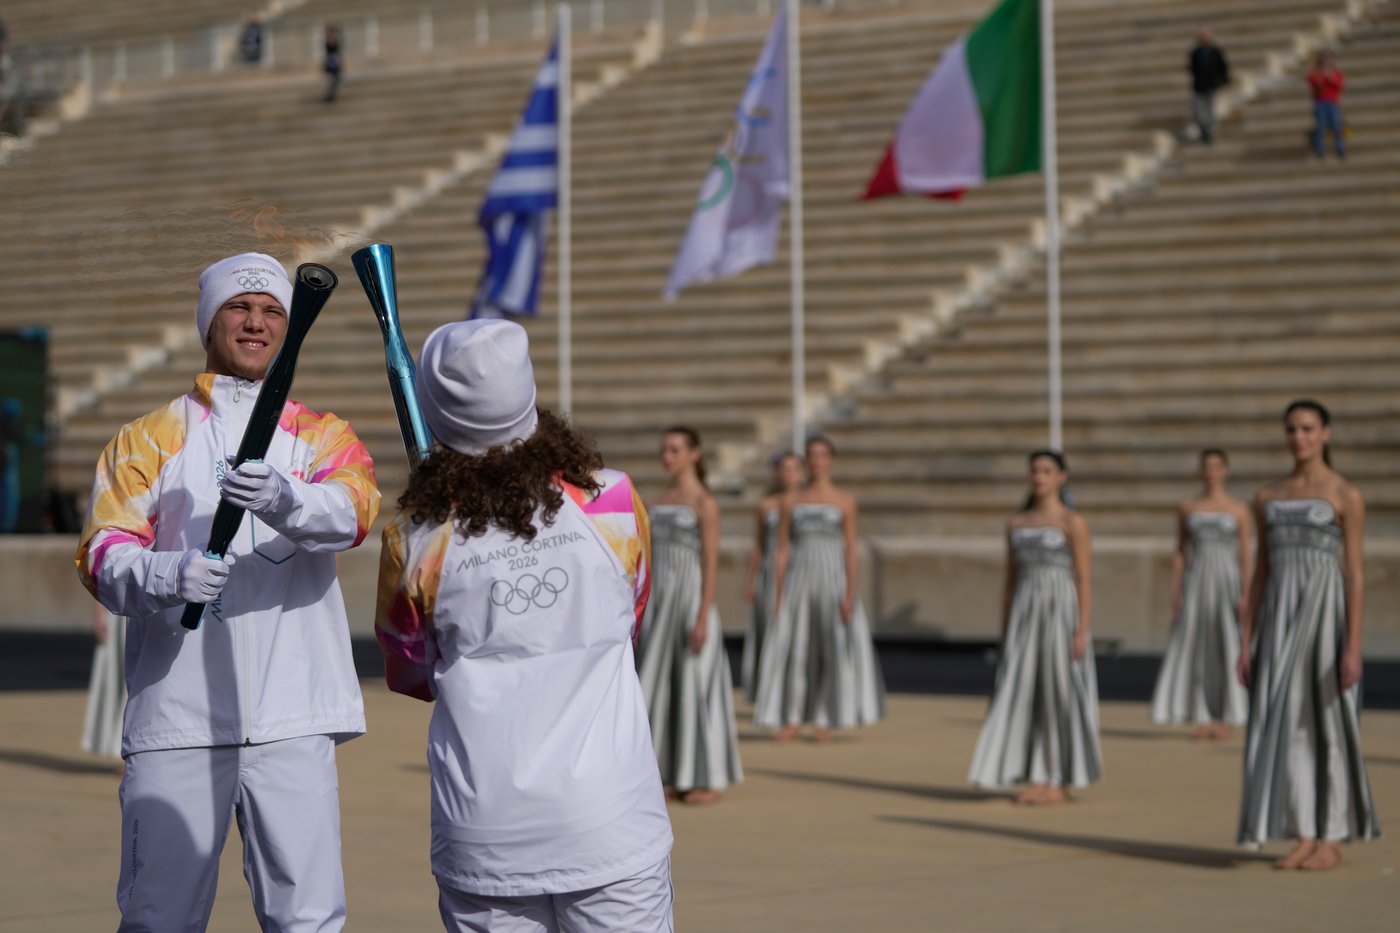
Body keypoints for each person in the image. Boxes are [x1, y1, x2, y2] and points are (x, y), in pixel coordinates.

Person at [75, 251, 380, 931]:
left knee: (308, 920)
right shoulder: (147, 439)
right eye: (238, 307)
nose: (255, 322)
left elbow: (354, 512)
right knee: (158, 919)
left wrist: (285, 498)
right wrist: (168, 573)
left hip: (292, 716)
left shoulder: (321, 435)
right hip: (177, 721)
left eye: (272, 310)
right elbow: (101, 554)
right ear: (208, 321)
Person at [376, 320, 675, 930]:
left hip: (486, 834)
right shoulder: (614, 501)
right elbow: (633, 615)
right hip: (610, 823)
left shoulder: (413, 539)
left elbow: (409, 673)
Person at [1237, 400, 1379, 870]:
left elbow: (1354, 574)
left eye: (1307, 428)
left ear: (1326, 433)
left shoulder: (1345, 494)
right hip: (1279, 622)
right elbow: (1260, 573)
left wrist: (1353, 645)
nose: (1298, 437)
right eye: (1292, 429)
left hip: (1325, 619)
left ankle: (1332, 838)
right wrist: (1246, 641)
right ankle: (1303, 833)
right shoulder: (1267, 495)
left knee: (1331, 725)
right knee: (1289, 725)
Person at [969, 450, 1101, 804]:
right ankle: (1036, 775)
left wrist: (1081, 629)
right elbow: (1009, 582)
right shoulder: (1016, 523)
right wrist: (1005, 630)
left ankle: (1058, 778)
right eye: (1035, 471)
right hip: (1025, 613)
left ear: (1061, 477)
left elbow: (1084, 579)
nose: (1039, 477)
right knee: (1026, 690)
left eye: (1046, 470)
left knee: (1058, 690)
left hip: (1059, 611)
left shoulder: (1073, 522)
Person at [635, 426, 742, 803]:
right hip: (658, 601)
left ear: (694, 454)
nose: (667, 457)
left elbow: (710, 563)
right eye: (664, 450)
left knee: (695, 681)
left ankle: (707, 778)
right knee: (661, 682)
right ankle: (670, 772)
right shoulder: (654, 500)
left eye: (675, 450)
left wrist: (702, 615)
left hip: (689, 599)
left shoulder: (705, 503)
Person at [754, 436, 885, 741]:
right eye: (811, 455)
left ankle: (823, 718)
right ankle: (792, 717)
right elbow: (782, 549)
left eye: (822, 455)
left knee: (830, 646)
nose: (816, 461)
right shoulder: (790, 501)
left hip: (831, 579)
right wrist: (778, 592)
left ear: (831, 460)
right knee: (796, 648)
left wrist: (849, 592)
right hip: (798, 580)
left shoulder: (845, 501)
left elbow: (850, 549)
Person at [1150, 449, 1252, 739]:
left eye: (1217, 466)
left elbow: (1245, 554)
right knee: (1198, 645)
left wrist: (1246, 592)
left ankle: (1229, 714)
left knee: (1228, 642)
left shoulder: (1239, 509)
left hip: (1227, 581)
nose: (1211, 472)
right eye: (1206, 466)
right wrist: (1177, 590)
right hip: (1196, 581)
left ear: (1226, 471)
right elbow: (1180, 552)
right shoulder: (1188, 507)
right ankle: (1202, 714)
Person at [740, 451, 804, 703]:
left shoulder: (808, 502)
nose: (788, 474)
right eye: (783, 468)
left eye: (793, 468)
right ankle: (771, 693)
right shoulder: (766, 505)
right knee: (772, 629)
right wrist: (751, 581)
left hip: (799, 569)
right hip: (769, 571)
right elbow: (759, 545)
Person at [80, 602, 127, 763]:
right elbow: (100, 585)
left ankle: (130, 750)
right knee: (114, 678)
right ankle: (122, 749)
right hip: (120, 611)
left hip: (153, 611)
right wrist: (100, 616)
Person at [1188, 28, 1229, 144]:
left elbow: (1223, 68)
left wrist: (1223, 83)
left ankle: (1210, 135)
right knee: (1198, 114)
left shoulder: (1216, 52)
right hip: (1199, 87)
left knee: (1211, 113)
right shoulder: (1195, 53)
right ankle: (1204, 132)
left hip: (1212, 86)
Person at [1307, 51, 1346, 160]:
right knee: (1320, 126)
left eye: (1328, 59)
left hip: (1332, 102)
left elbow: (1340, 85)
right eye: (1324, 59)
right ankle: (1320, 150)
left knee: (1336, 126)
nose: (1326, 62)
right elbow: (1312, 82)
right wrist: (1321, 76)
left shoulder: (1335, 73)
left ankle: (1339, 148)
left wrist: (1330, 77)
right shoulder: (1316, 73)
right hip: (1320, 102)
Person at [323, 24, 343, 103]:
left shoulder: (335, 41)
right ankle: (329, 96)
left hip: (335, 62)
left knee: (336, 80)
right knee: (332, 80)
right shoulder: (329, 42)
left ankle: (332, 96)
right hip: (331, 63)